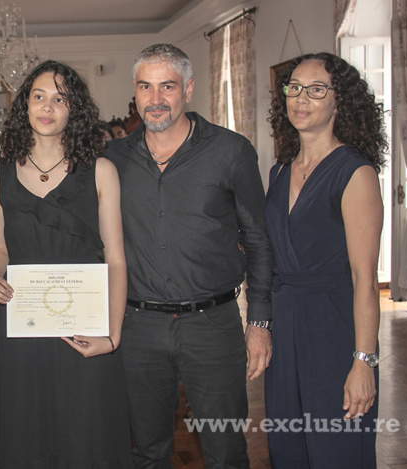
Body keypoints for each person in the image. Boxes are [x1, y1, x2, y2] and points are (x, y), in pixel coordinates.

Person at [104, 43, 273, 468]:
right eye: (146, 87)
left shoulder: (231, 152)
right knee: (147, 449)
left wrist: (259, 323)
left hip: (212, 327)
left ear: (189, 89)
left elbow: (258, 240)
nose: (155, 99)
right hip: (138, 326)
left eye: (167, 86)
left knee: (226, 450)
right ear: (135, 92)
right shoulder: (113, 159)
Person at [0, 60, 131, 467]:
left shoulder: (101, 171)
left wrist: (113, 336)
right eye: (38, 96)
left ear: (74, 110)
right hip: (21, 327)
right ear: (24, 106)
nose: (47, 107)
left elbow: (116, 261)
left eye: (60, 99)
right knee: (22, 435)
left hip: (85, 326)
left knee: (87, 437)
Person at [265, 52, 385, 468]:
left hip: (334, 332)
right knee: (288, 450)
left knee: (338, 450)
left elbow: (365, 280)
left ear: (340, 101)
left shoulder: (355, 173)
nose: (301, 98)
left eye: (317, 90)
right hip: (285, 331)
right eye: (294, 87)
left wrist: (364, 362)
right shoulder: (280, 171)